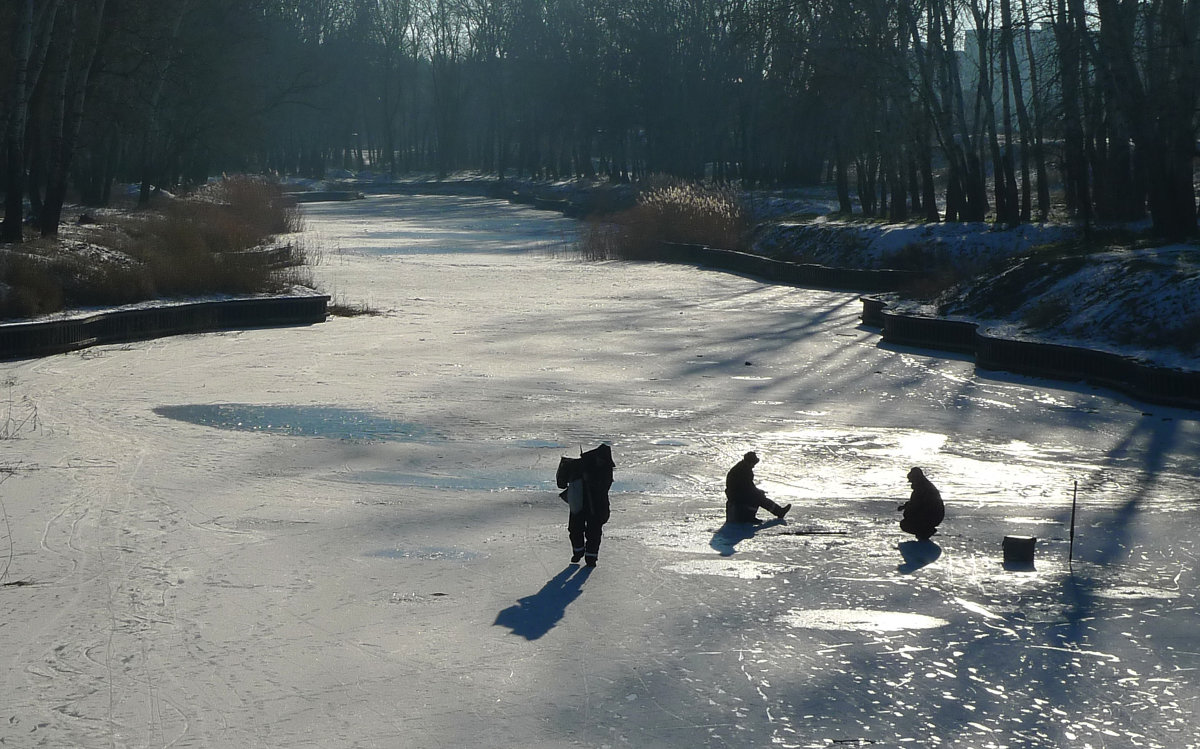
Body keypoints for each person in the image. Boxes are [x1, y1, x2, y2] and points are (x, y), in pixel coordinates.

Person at [555, 443, 615, 567]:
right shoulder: (581, 465)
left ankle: (591, 557)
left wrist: (590, 480)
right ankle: (578, 552)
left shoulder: (606, 468)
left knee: (594, 531)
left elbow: (604, 486)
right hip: (579, 501)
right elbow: (562, 481)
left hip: (597, 505)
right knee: (575, 528)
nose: (600, 461)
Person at [724, 451, 791, 523]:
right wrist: (758, 492)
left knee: (758, 495)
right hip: (736, 495)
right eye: (753, 463)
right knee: (759, 497)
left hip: (736, 493)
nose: (754, 466)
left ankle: (778, 511)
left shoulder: (743, 467)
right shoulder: (744, 470)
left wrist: (757, 491)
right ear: (750, 462)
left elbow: (748, 485)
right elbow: (747, 487)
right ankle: (777, 512)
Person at [898, 466, 944, 541]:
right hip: (934, 516)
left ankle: (925, 531)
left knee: (905, 524)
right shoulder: (924, 486)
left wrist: (907, 512)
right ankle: (925, 530)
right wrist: (905, 506)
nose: (911, 483)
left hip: (932, 517)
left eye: (911, 481)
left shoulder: (922, 489)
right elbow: (915, 502)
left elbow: (915, 505)